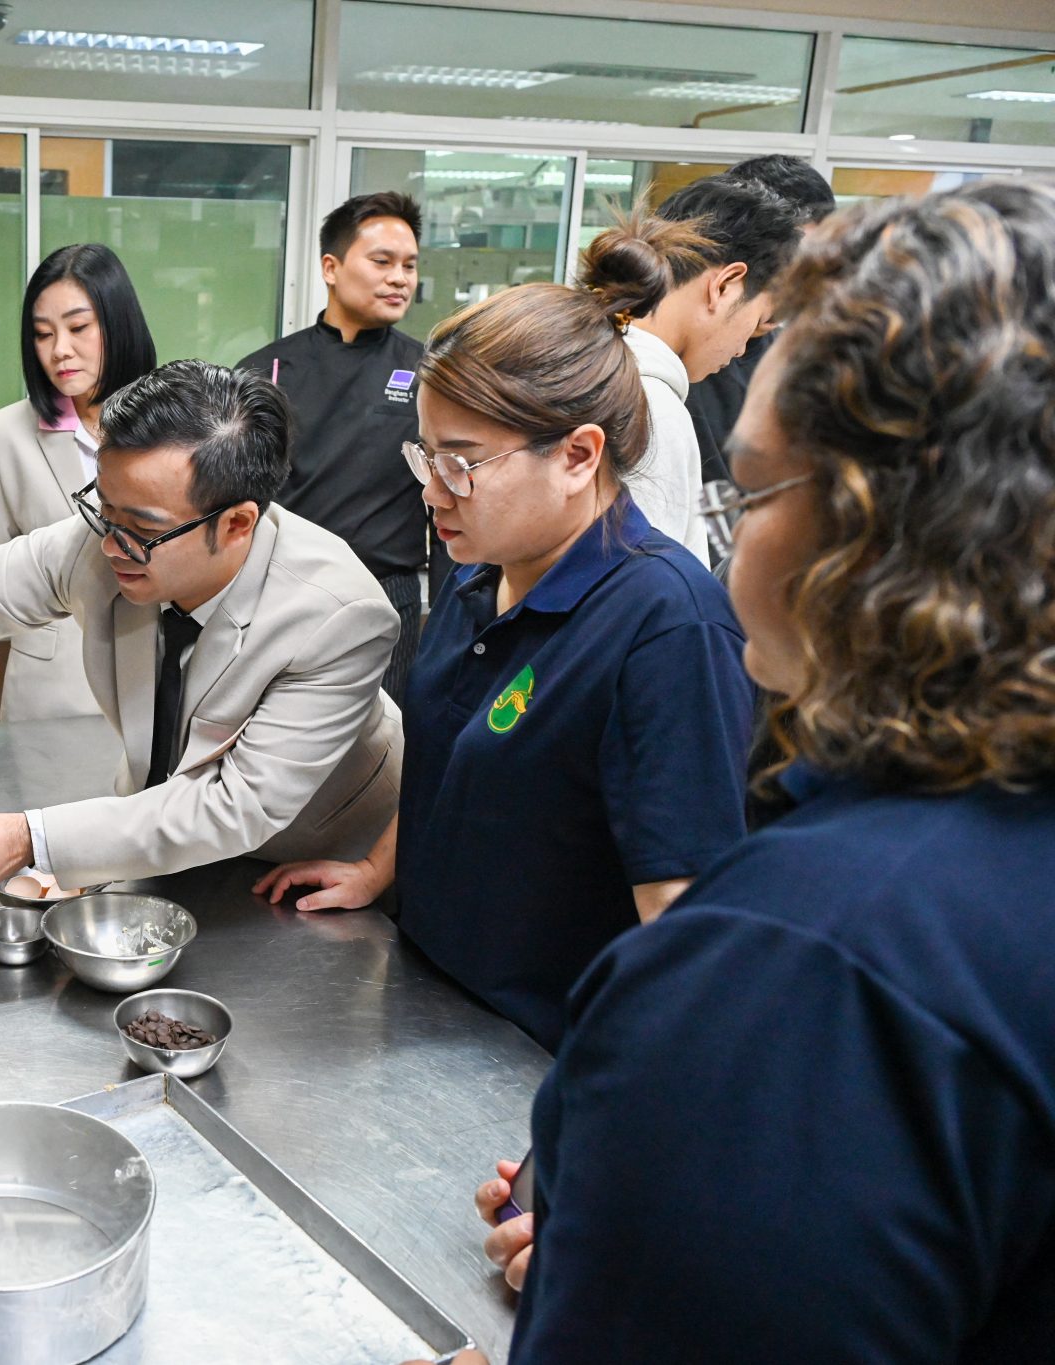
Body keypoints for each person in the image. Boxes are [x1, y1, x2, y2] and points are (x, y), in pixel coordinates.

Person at [448, 179, 1055, 1365]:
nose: (725, 556)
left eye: (753, 492)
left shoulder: (800, 964)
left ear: (868, 533)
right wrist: (644, 1204)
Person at [256, 263, 755, 1052]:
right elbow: (452, 763)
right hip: (432, 1000)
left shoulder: (666, 627)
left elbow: (683, 924)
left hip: (541, 1049)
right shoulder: (475, 574)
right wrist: (380, 869)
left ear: (579, 455)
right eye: (426, 458)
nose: (434, 491)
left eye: (463, 463)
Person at [0, 359, 404, 897]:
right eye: (103, 508)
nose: (111, 545)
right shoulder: (104, 540)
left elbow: (234, 807)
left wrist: (30, 838)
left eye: (141, 529)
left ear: (236, 524)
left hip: (318, 856)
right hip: (161, 833)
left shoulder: (338, 616)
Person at [238, 191, 431, 699]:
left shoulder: (431, 374)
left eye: (409, 265)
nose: (400, 278)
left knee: (383, 739)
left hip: (385, 591)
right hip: (280, 590)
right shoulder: (267, 370)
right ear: (331, 267)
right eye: (382, 262)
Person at [0, 243, 156, 723]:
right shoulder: (2, 436)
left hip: (157, 675)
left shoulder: (174, 425)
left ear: (117, 323)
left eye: (78, 328)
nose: (59, 351)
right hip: (49, 690)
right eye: (43, 334)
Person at [579, 179, 802, 565]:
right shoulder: (650, 405)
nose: (741, 349)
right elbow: (639, 586)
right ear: (724, 285)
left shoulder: (585, 357)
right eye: (757, 321)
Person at [683, 156, 838, 487]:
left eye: (808, 262)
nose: (792, 282)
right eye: (783, 258)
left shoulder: (794, 363)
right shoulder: (680, 354)